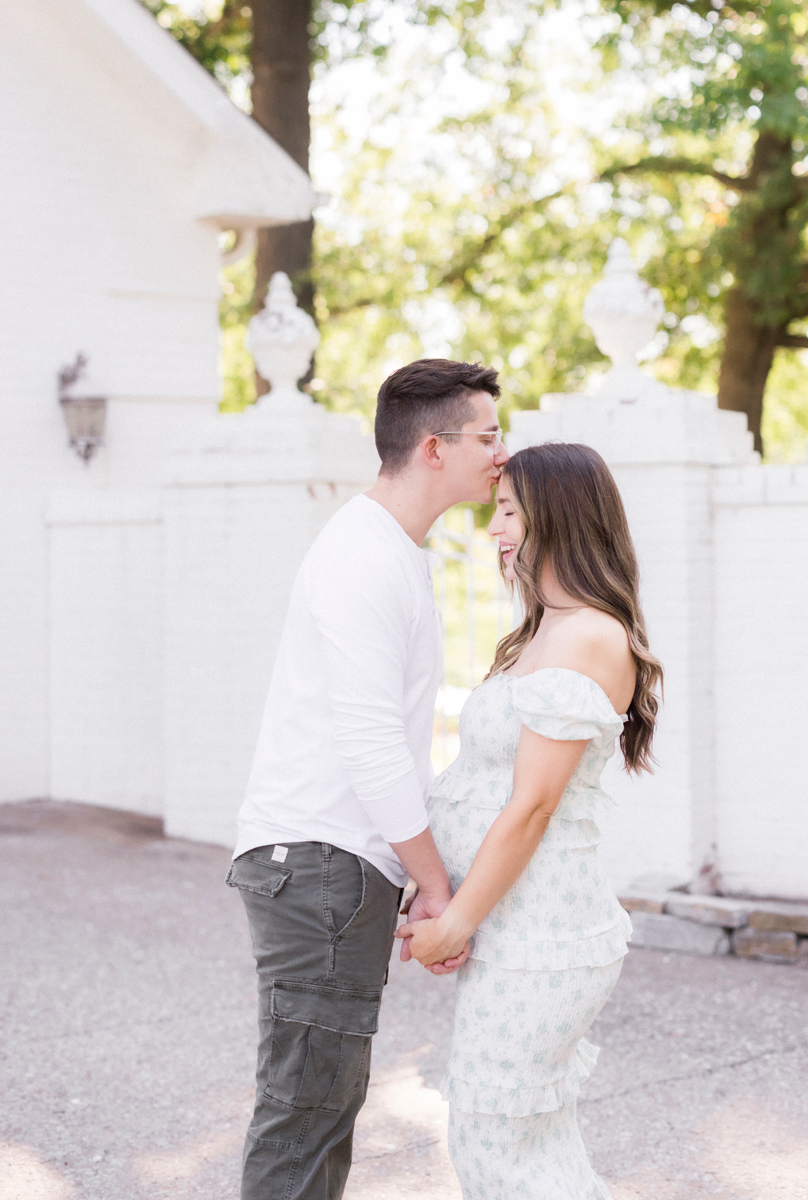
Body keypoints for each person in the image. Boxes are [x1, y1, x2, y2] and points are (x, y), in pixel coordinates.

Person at [225, 358, 509, 1200]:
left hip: (333, 867)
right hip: (317, 864)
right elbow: (370, 742)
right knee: (305, 1110)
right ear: (433, 446)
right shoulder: (363, 555)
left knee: (322, 1105)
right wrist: (436, 889)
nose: (501, 454)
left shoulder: (393, 551)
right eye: (487, 436)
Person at [396, 442, 663, 1200]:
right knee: (525, 1145)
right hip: (518, 932)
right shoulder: (547, 631)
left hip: (542, 938)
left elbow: (533, 806)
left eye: (510, 510)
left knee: (494, 1143)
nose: (495, 528)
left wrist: (457, 922)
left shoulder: (585, 636)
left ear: (560, 516)